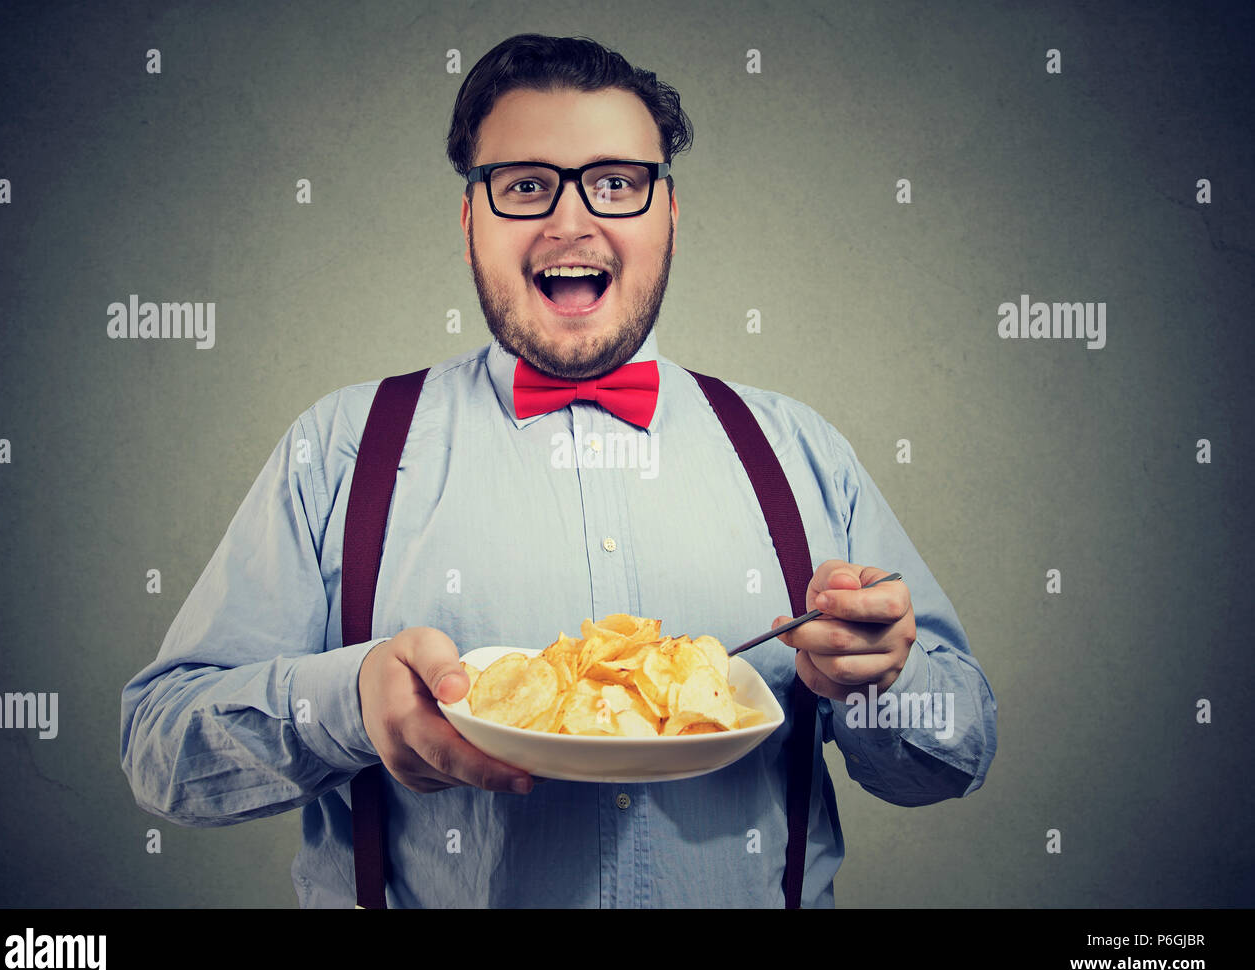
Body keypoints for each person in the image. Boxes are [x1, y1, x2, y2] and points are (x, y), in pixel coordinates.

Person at [120, 33, 997, 908]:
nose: (571, 222)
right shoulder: (343, 445)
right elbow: (162, 749)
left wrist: (885, 681)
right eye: (526, 185)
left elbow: (953, 757)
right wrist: (349, 702)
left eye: (617, 183)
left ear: (670, 217)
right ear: (471, 221)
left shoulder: (800, 451)